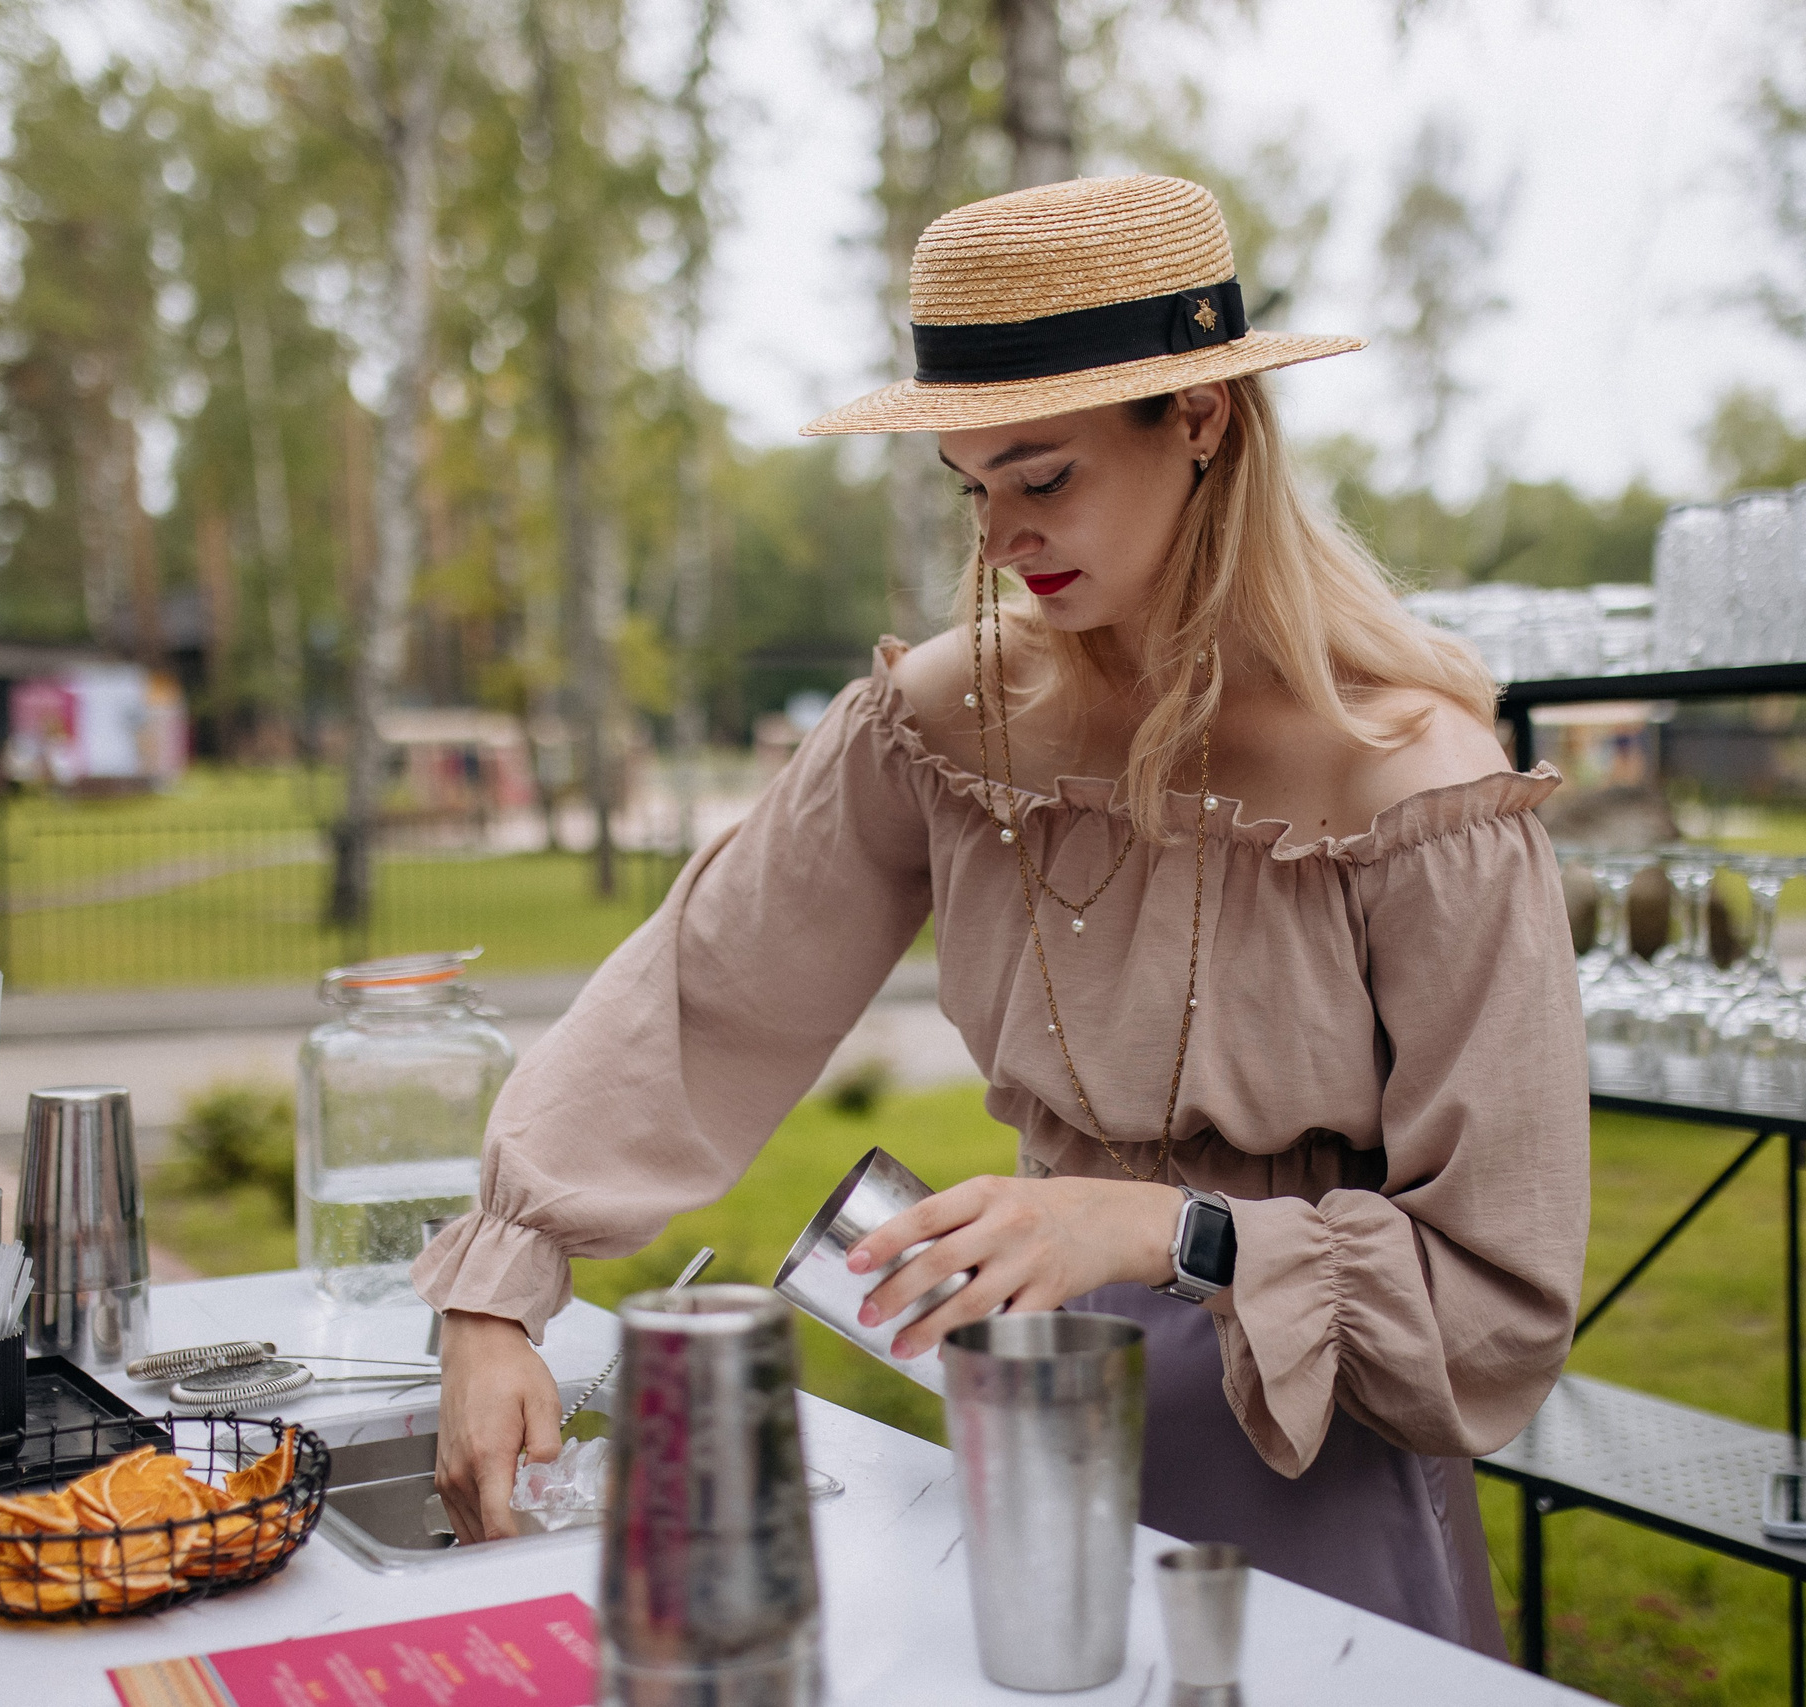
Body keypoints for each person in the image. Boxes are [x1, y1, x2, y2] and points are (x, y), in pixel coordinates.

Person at [415, 173, 1589, 1656]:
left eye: (1042, 480)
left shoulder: (1417, 785)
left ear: (1206, 419)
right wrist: (496, 1295)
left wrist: (1164, 1229)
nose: (1000, 546)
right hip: (1017, 1441)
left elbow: (1498, 1299)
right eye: (972, 488)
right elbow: (703, 998)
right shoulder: (938, 727)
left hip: (1309, 1476)